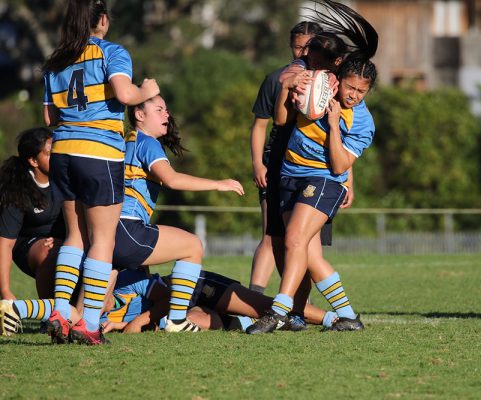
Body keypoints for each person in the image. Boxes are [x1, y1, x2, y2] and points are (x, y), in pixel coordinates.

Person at [247, 0, 378, 334]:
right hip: (290, 173)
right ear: (339, 78)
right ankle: (348, 316)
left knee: (293, 241)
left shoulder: (361, 123)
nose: (354, 95)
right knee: (307, 254)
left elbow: (339, 163)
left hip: (324, 180)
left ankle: (279, 310)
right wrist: (290, 88)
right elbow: (279, 119)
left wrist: (334, 126)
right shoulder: (316, 86)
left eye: (361, 91)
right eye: (350, 87)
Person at [42, 0, 160, 345]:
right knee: (102, 240)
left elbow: (50, 120)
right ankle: (89, 323)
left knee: (74, 236)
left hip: (62, 152)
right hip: (99, 153)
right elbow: (125, 94)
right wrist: (148, 91)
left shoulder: (55, 61)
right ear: (103, 20)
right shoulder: (112, 51)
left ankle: (62, 313)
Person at [111, 95, 244, 333]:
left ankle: (34, 311)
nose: (167, 115)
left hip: (109, 230)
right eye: (159, 109)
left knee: (90, 308)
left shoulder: (125, 141)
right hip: (127, 228)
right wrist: (218, 184)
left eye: (167, 110)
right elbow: (171, 179)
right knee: (192, 246)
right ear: (139, 115)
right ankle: (177, 320)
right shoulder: (147, 142)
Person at [249, 21, 324, 295]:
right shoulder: (276, 79)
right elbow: (260, 126)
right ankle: (253, 298)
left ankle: (296, 305)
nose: (303, 52)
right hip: (278, 162)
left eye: (309, 46)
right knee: (272, 236)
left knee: (307, 241)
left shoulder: (328, 81)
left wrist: (347, 176)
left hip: (315, 166)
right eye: (297, 46)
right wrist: (258, 163)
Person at [99, 267, 338, 334]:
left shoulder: (124, 280)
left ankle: (335, 319)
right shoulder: (93, 317)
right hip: (178, 317)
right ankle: (248, 325)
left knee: (265, 307)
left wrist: (137, 322)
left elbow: (171, 297)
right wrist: (123, 325)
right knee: (205, 325)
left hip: (193, 287)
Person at [0, 128, 64, 302]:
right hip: (30, 245)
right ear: (34, 161)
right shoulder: (17, 188)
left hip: (66, 241)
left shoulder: (67, 178)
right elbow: (5, 244)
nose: (57, 157)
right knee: (48, 252)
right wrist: (5, 291)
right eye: (50, 154)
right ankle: (48, 315)